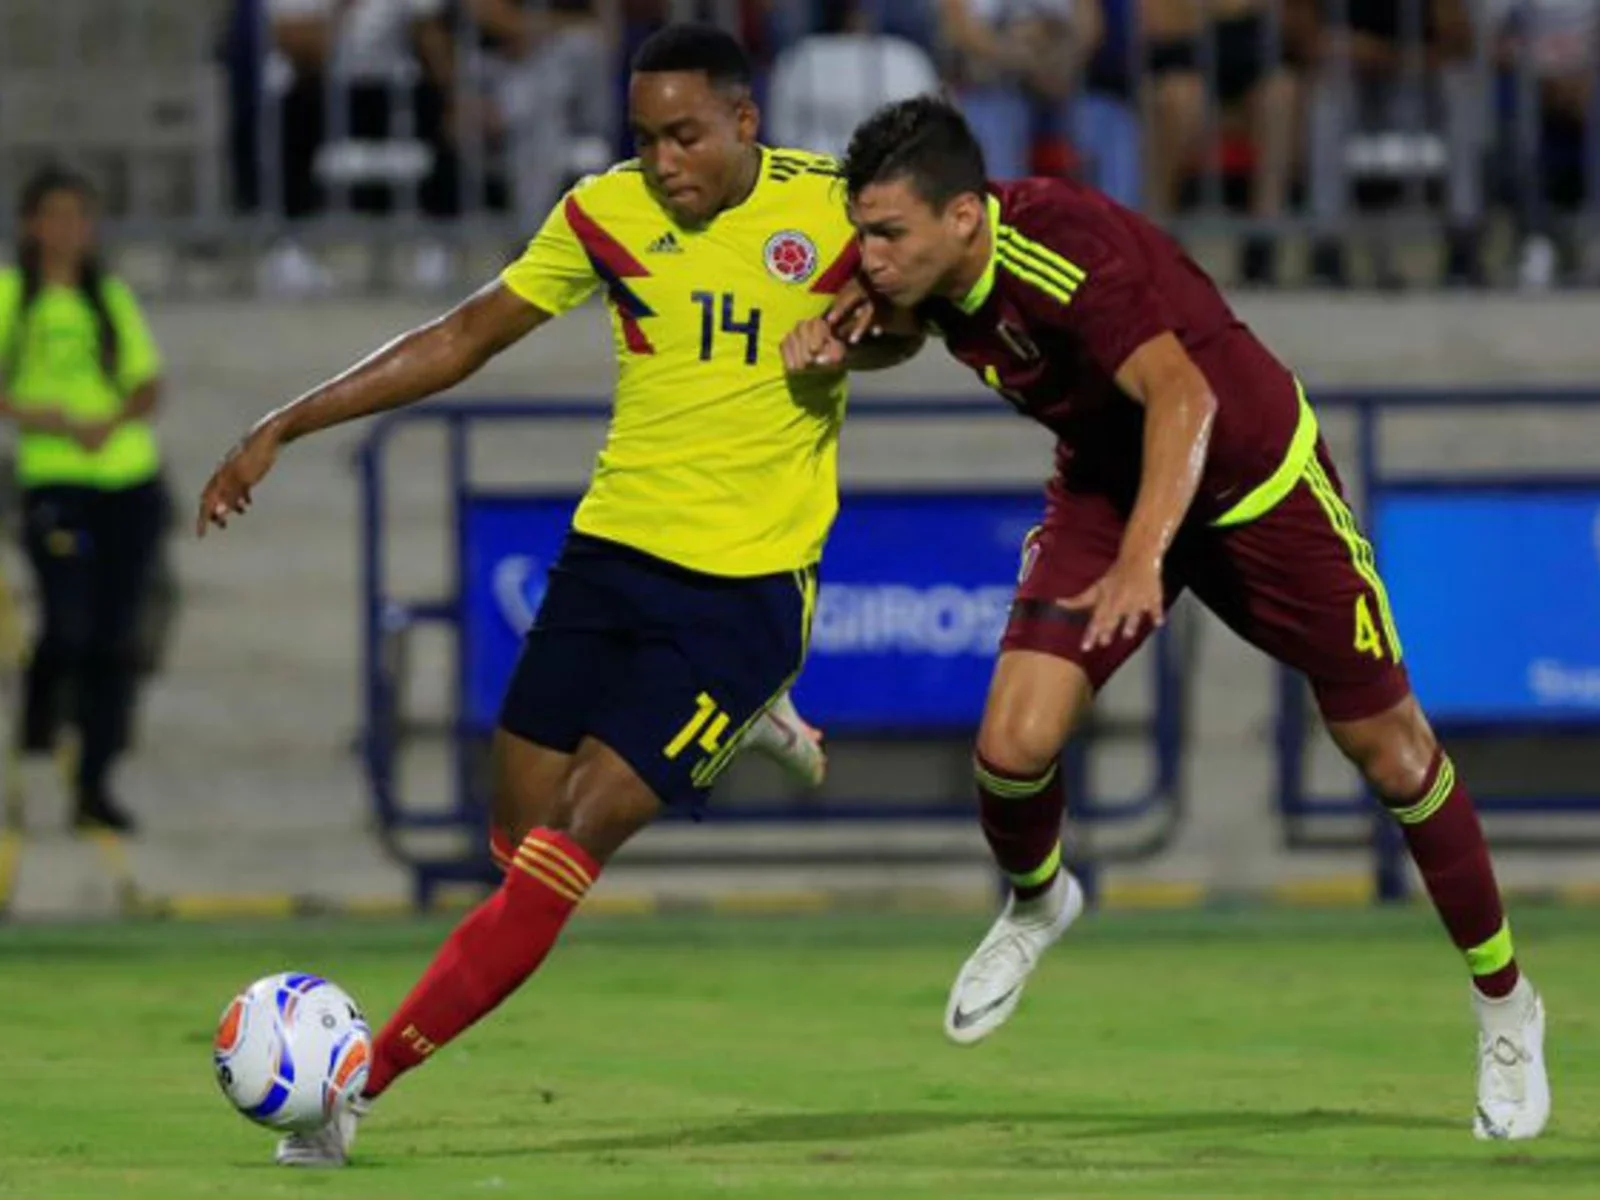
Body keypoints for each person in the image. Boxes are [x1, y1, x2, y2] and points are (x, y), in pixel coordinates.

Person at [197, 23, 917, 1167]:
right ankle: (746, 728)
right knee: (515, 840)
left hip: (740, 598)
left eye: (683, 136)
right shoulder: (605, 211)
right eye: (643, 138)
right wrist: (283, 420)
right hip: (608, 557)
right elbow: (464, 334)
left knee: (563, 854)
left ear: (744, 121)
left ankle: (353, 1091)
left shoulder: (833, 207)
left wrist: (858, 341)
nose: (662, 162)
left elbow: (915, 315)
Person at [789, 94, 1548, 1140]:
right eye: (861, 234)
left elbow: (1183, 401)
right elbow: (898, 331)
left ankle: (1505, 1005)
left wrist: (1147, 559)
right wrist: (835, 341)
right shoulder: (908, 264)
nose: (864, 256)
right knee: (1011, 745)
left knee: (1391, 752)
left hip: (1254, 487)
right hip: (1106, 484)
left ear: (964, 214)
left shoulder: (1065, 252)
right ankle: (1038, 901)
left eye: (884, 235)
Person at [0, 167, 170, 835]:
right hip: (55, 478)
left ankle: (96, 779)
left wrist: (112, 419)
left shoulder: (110, 297)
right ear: (31, 224)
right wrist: (49, 419)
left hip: (127, 479)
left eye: (81, 216)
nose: (70, 230)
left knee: (117, 637)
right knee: (67, 622)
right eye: (57, 215)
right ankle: (42, 726)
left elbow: (149, 384)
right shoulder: (15, 296)